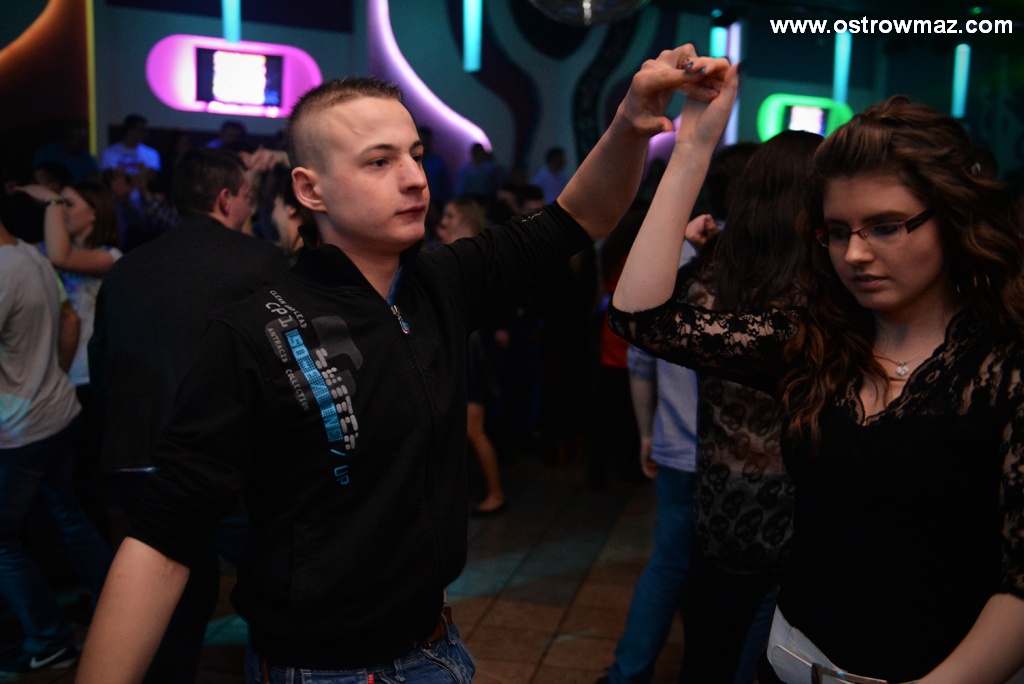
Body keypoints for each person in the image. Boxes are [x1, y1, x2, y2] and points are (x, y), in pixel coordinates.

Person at [76, 44, 731, 684]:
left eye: (415, 154)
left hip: (436, 646)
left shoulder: (442, 281)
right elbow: (162, 542)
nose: (416, 177)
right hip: (322, 669)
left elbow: (581, 215)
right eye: (379, 161)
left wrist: (629, 123)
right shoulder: (253, 333)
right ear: (310, 188)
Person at [609, 57, 1024, 684]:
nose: (854, 253)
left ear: (952, 218)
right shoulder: (817, 343)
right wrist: (692, 148)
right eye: (837, 231)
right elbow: (640, 318)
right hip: (790, 665)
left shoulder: (1005, 366)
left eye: (885, 227)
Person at [88, 146, 288, 684]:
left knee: (175, 585)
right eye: (247, 197)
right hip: (216, 462)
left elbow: (101, 363)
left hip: (133, 457)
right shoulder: (261, 261)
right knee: (276, 577)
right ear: (226, 198)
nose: (250, 208)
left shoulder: (127, 267)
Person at [674, 130, 822, 684]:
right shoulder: (826, 294)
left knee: (708, 654)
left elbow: (643, 318)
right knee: (787, 660)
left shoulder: (713, 282)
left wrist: (700, 250)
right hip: (803, 502)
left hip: (725, 496)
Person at [0, 192, 112, 677]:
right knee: (69, 516)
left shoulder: (4, 271)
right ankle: (115, 607)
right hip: (57, 412)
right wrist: (50, 379)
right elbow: (69, 321)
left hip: (22, 428)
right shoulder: (31, 255)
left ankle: (49, 639)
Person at [435, 196, 507, 516]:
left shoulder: (469, 254)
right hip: (468, 348)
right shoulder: (470, 252)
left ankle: (496, 493)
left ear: (465, 219)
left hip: (472, 351)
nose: (444, 221)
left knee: (473, 428)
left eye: (451, 215)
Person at [99, 114, 161, 186]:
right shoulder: (109, 152)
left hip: (142, 192)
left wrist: (126, 177)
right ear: (130, 130)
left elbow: (150, 177)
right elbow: (110, 177)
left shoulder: (151, 153)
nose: (146, 134)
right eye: (142, 130)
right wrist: (136, 177)